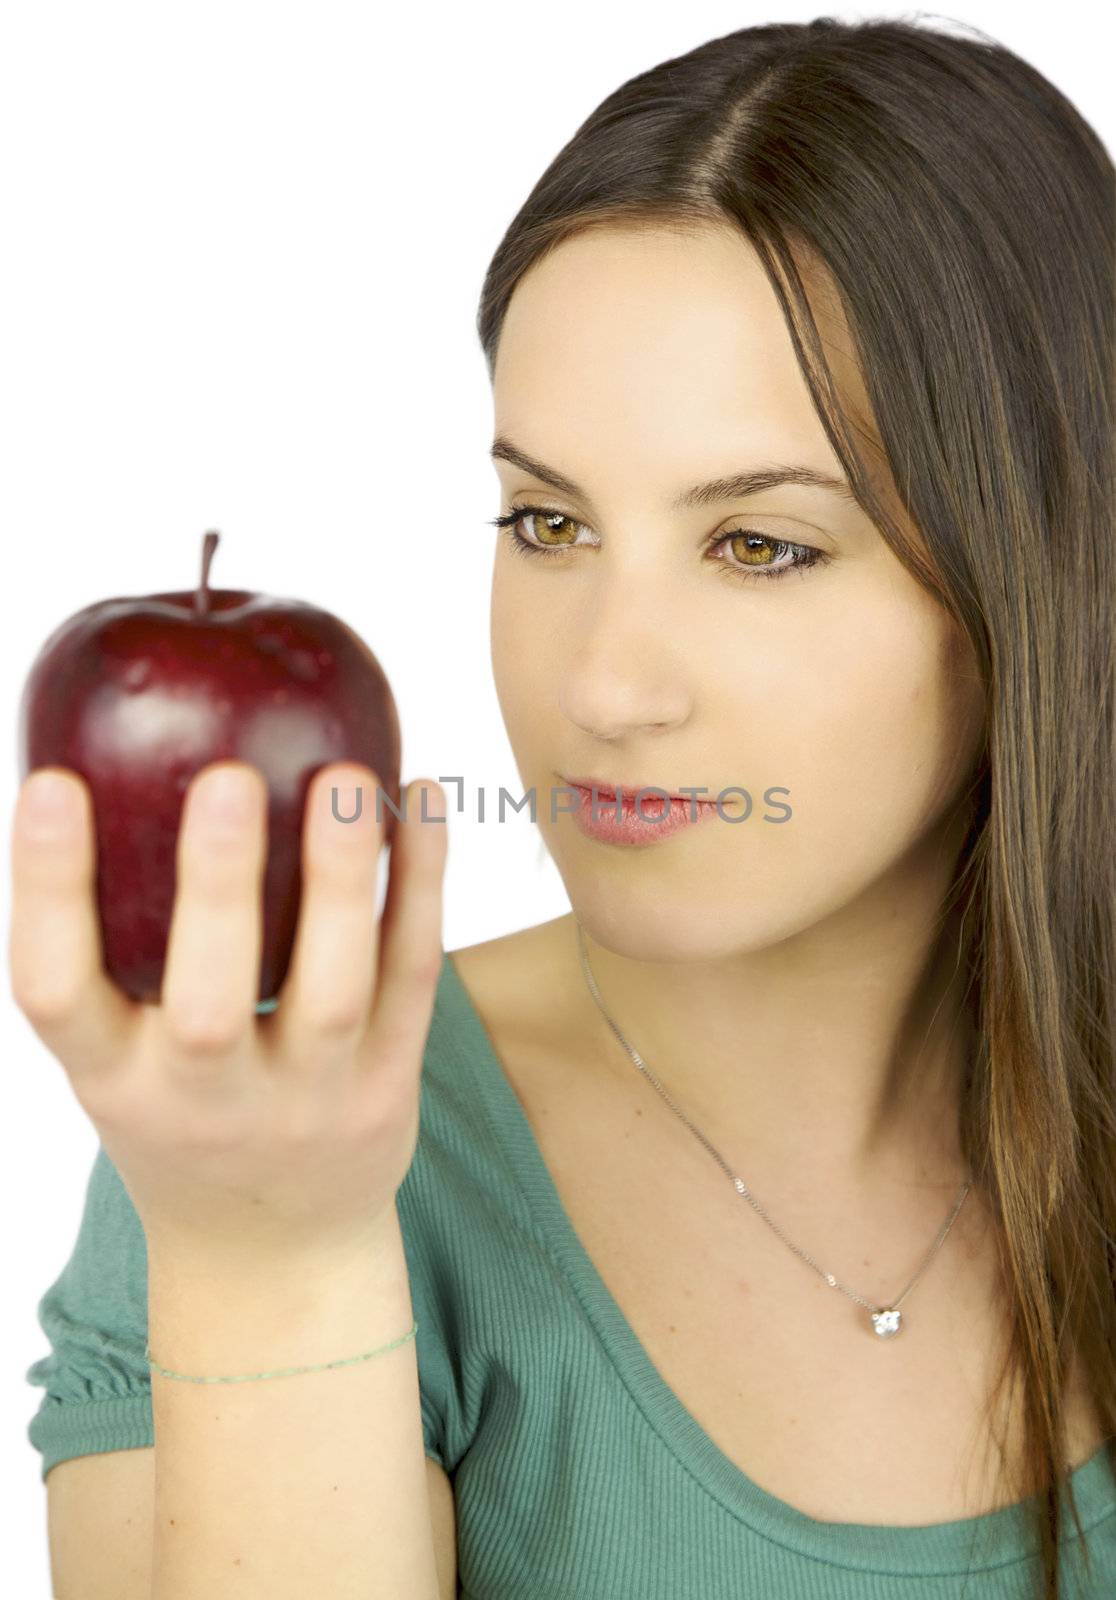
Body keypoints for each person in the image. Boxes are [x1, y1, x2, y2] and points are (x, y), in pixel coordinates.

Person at [15, 15, 1115, 1600]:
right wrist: (276, 1260)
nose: (602, 686)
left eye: (761, 546)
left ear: (1037, 576)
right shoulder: (291, 1151)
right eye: (546, 520)